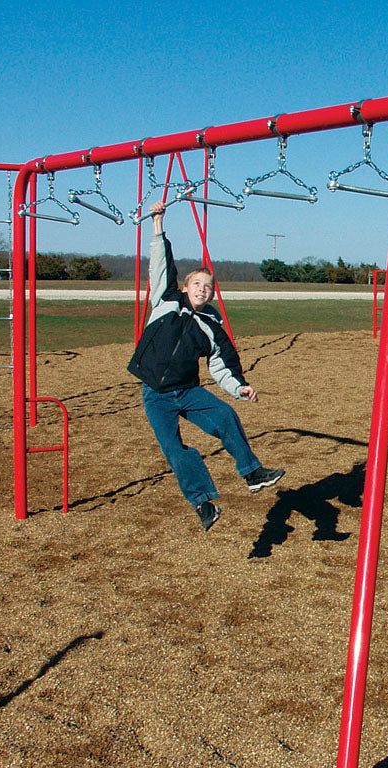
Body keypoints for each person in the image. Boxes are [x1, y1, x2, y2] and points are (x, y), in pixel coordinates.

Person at [127, 200, 283, 531]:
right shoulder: (166, 301)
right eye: (197, 283)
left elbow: (222, 365)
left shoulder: (212, 325)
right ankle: (203, 504)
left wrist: (239, 387)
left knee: (225, 415)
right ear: (185, 287)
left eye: (208, 287)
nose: (202, 289)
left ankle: (252, 473)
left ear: (212, 295)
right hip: (156, 392)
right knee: (175, 450)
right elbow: (160, 265)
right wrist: (158, 226)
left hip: (187, 390)